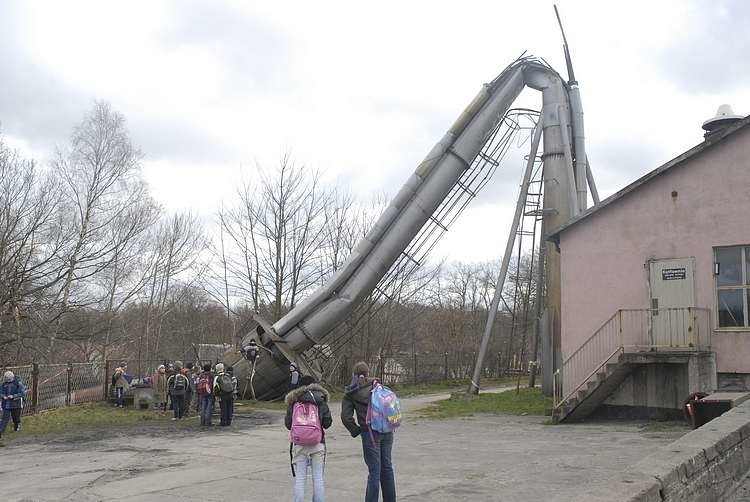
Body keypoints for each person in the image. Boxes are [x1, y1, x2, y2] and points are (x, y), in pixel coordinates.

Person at [341, 361, 396, 502]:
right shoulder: (379, 386)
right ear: (368, 373)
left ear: (354, 375)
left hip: (370, 434)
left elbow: (346, 417)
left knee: (374, 471)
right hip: (387, 431)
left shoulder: (351, 393)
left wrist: (356, 430)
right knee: (387, 468)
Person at [285, 375, 332, 502]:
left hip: (299, 444)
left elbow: (288, 424)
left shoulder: (294, 400)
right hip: (317, 443)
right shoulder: (320, 399)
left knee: (300, 478)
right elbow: (328, 423)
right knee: (318, 478)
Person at [0, 371, 25, 439]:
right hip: (6, 404)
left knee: (15, 417)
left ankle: (17, 427)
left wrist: (13, 396)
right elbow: (1, 392)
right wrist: (3, 396)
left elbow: (22, 393)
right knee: (5, 417)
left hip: (16, 404)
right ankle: (1, 430)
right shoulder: (3, 384)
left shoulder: (18, 384)